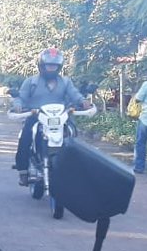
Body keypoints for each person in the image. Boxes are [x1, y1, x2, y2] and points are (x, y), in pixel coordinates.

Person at [13, 48, 90, 186]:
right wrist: (18, 105)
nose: (51, 69)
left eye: (54, 66)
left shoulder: (66, 82)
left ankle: (73, 167)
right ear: (41, 66)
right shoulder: (31, 82)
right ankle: (23, 171)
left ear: (59, 67)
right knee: (25, 138)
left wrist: (83, 101)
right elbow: (21, 97)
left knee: (72, 135)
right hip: (36, 117)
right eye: (48, 66)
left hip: (60, 118)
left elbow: (75, 95)